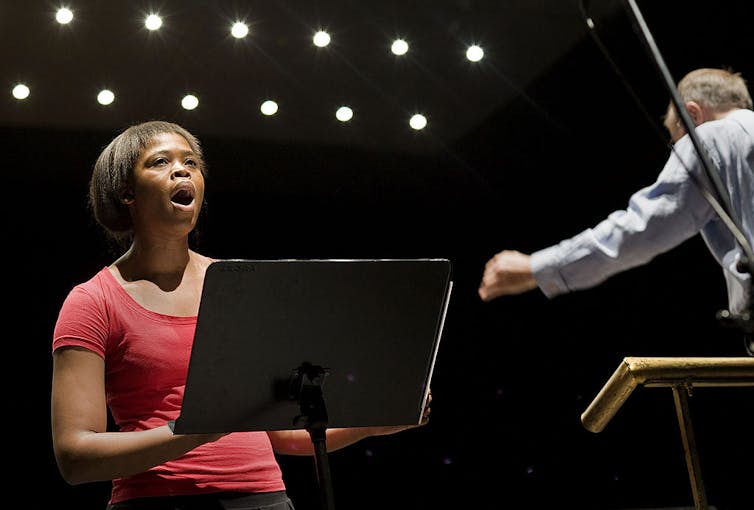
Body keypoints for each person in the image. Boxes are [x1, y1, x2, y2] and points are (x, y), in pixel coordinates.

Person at [51, 120, 431, 510]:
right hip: (157, 500)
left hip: (264, 499)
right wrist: (197, 431)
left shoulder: (239, 288)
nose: (183, 170)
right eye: (160, 162)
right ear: (125, 192)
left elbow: (281, 435)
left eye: (192, 163)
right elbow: (75, 457)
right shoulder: (93, 302)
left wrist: (372, 424)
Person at [478, 67, 754, 344]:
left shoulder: (709, 136)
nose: (677, 149)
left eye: (676, 138)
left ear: (693, 114)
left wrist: (537, 267)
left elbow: (645, 227)